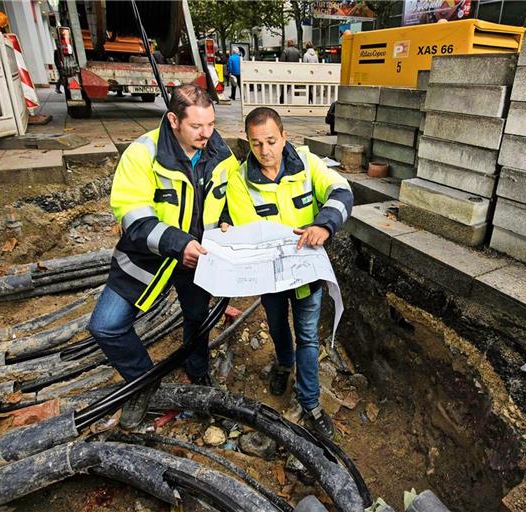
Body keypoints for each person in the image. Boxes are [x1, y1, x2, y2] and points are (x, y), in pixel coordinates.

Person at [87, 84, 239, 430]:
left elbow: (230, 199)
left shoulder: (220, 153)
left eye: (211, 124)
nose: (207, 134)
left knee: (198, 319)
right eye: (197, 126)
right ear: (173, 120)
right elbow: (134, 218)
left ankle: (198, 373)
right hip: (147, 259)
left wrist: (229, 221)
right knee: (106, 327)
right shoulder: (142, 154)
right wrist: (177, 243)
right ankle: (143, 381)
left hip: (197, 259)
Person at [223, 107, 353, 438]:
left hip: (307, 273)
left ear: (284, 136)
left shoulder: (309, 164)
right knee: (279, 325)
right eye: (256, 144)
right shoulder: (240, 180)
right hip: (271, 276)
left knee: (308, 337)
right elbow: (250, 231)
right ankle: (283, 363)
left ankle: (310, 402)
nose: (265, 151)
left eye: (270, 141)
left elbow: (342, 192)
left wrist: (324, 224)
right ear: (249, 144)